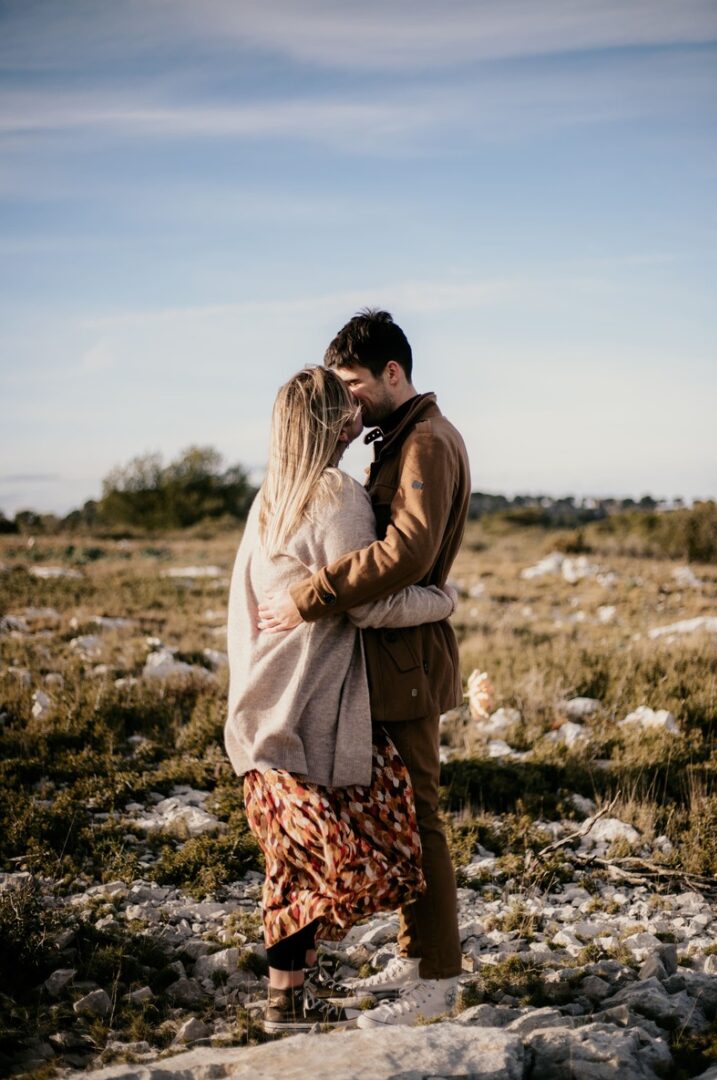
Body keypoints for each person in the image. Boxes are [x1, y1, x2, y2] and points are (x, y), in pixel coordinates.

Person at [224, 365, 458, 1034]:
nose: (358, 414)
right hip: (311, 713)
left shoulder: (271, 497)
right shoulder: (335, 496)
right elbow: (370, 604)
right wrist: (441, 600)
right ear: (337, 423)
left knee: (288, 863)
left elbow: (243, 609)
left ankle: (285, 1002)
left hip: (259, 714)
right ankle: (419, 974)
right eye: (347, 406)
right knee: (387, 841)